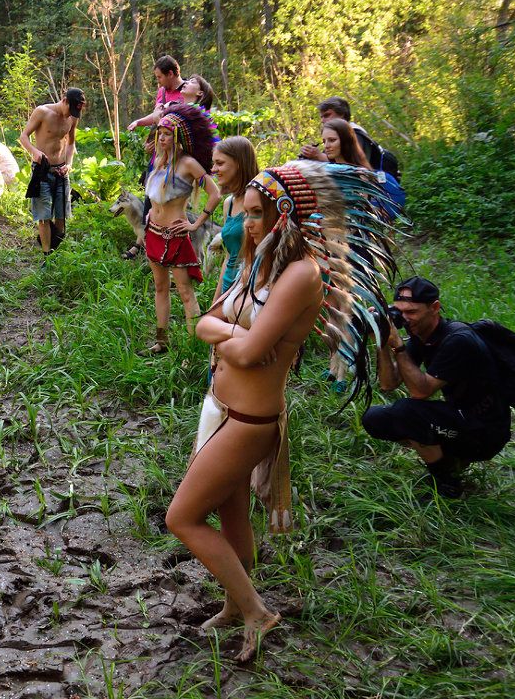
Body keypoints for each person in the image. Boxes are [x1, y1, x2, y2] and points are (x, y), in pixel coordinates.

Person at [165, 160, 397, 663]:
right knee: (231, 517)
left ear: (284, 214)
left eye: (254, 214)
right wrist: (238, 335)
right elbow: (205, 323)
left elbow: (246, 354)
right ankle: (233, 604)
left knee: (181, 517)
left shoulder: (300, 274)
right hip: (219, 407)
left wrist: (233, 338)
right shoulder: (260, 265)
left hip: (249, 422)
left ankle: (256, 612)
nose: (246, 223)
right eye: (246, 213)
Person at [363, 278, 511, 499]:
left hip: (487, 430)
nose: (404, 319)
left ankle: (447, 483)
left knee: (407, 412)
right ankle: (448, 459)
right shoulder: (422, 336)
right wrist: (382, 341)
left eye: (411, 312)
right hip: (460, 418)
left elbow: (420, 392)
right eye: (399, 311)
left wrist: (399, 347)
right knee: (375, 418)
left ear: (435, 307)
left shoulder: (458, 340)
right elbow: (389, 383)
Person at [141, 106, 222, 353]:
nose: (162, 138)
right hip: (153, 233)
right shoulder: (158, 160)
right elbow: (156, 196)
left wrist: (196, 223)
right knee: (160, 288)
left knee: (186, 293)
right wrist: (149, 212)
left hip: (176, 236)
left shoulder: (188, 164)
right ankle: (161, 342)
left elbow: (215, 193)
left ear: (179, 138)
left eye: (167, 134)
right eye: (160, 133)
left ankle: (191, 350)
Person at [20, 88, 84, 259]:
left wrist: (69, 164)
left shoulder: (72, 118)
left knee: (61, 216)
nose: (70, 114)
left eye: (75, 112)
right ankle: (46, 255)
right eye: (70, 109)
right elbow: (24, 136)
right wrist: (34, 151)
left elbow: (71, 143)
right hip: (42, 171)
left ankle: (54, 249)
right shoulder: (42, 112)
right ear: (64, 101)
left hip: (61, 171)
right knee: (43, 217)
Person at [301, 96, 399, 179]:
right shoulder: (337, 134)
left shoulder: (356, 134)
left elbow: (352, 166)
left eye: (327, 115)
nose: (322, 120)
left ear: (342, 114)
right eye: (321, 117)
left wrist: (318, 156)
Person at [209, 136, 260, 297]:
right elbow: (229, 256)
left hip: (250, 289)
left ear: (238, 164)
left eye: (220, 163)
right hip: (228, 287)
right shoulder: (228, 203)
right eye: (214, 163)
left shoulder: (261, 202)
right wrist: (217, 299)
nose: (214, 169)